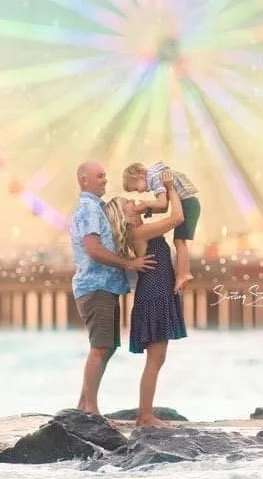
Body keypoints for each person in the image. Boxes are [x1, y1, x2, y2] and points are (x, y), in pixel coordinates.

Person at [71, 160, 155, 417]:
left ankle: (83, 406)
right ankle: (91, 411)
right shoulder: (89, 210)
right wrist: (129, 263)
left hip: (106, 286)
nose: (105, 180)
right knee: (100, 347)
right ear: (84, 180)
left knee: (107, 346)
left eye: (105, 176)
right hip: (95, 286)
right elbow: (94, 250)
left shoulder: (97, 209)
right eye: (99, 176)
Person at [104, 170, 186, 427]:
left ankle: (146, 413)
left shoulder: (140, 230)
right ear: (126, 216)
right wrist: (171, 188)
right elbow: (178, 217)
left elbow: (160, 210)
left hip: (156, 290)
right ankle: (145, 416)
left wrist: (153, 200)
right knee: (155, 359)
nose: (134, 203)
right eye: (129, 204)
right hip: (154, 293)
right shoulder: (140, 233)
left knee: (158, 358)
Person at [122, 161, 201, 292]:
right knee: (180, 241)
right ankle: (183, 273)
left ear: (139, 176)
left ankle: (183, 274)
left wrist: (146, 206)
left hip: (188, 203)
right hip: (188, 203)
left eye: (136, 188)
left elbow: (163, 205)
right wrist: (147, 206)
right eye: (129, 203)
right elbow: (165, 208)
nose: (138, 195)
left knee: (179, 241)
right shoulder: (137, 232)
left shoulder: (155, 178)